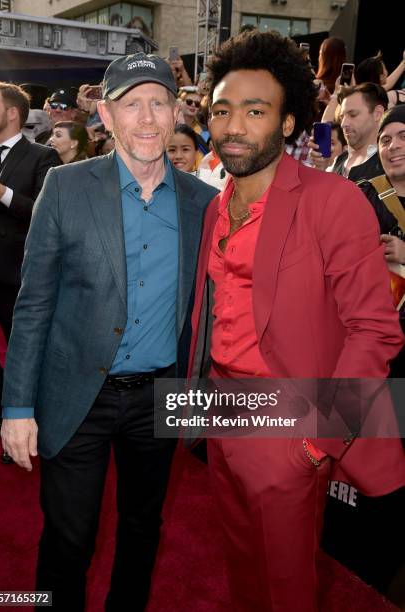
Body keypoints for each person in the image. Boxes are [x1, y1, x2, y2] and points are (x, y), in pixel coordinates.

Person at [187, 30, 405, 612]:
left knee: (287, 589)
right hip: (222, 411)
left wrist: (316, 440)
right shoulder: (214, 206)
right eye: (223, 110)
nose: (234, 126)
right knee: (241, 567)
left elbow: (375, 330)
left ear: (287, 124)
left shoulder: (332, 201)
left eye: (255, 111)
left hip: (289, 417)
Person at [1, 53, 217, 611]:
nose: (146, 118)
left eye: (157, 103)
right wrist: (18, 407)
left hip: (160, 397)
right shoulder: (65, 186)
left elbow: (210, 310)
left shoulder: (205, 204)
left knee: (144, 528)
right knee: (69, 538)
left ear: (176, 112)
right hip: (77, 393)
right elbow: (33, 304)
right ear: (105, 113)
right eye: (130, 104)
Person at [0, 82, 61, 456]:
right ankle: (3, 405)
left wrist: (5, 195)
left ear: (12, 112)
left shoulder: (42, 158)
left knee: (23, 354)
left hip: (20, 278)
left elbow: (50, 215)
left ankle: (25, 422)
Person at [359, 105, 405, 376]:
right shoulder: (362, 196)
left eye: (403, 136)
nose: (394, 146)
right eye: (385, 140)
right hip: (378, 340)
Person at [311, 83, 388, 181]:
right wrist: (320, 168)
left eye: (353, 115)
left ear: (377, 114)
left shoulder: (391, 161)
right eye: (342, 117)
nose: (343, 124)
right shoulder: (337, 162)